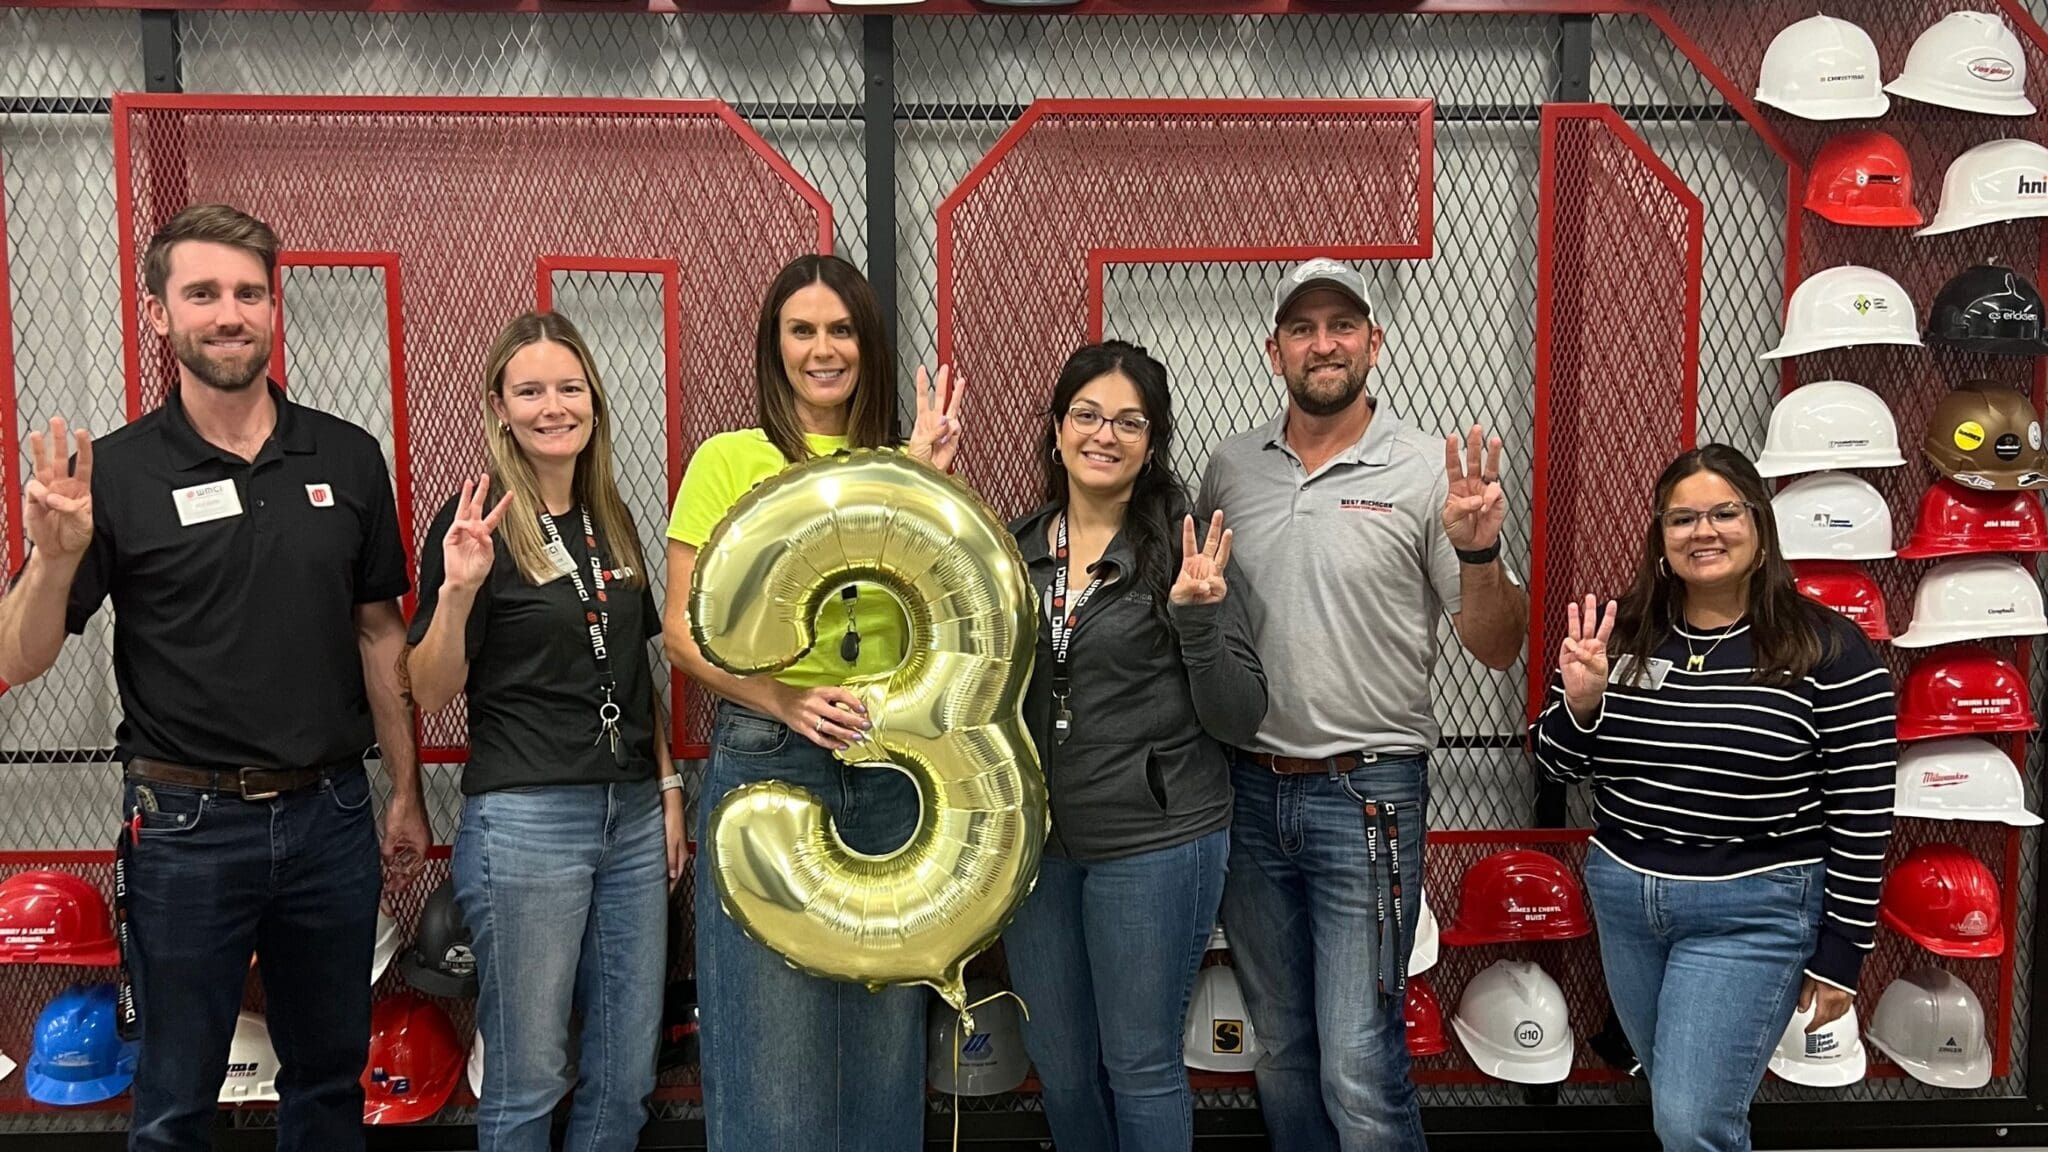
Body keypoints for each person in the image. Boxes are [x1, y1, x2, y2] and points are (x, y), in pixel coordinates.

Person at [0, 204, 429, 1151]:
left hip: (333, 820)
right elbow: (16, 656)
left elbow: (378, 634)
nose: (228, 313)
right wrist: (54, 559)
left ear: (274, 310)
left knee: (327, 1084)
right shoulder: (112, 473)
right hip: (186, 833)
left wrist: (406, 792)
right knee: (175, 1100)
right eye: (202, 294)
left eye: (247, 293)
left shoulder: (348, 457)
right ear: (159, 313)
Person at [1196, 257, 1528, 1151]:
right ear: (1275, 351)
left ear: (1374, 342)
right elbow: (1202, 618)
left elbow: (1496, 646)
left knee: (1357, 1055)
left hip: (1370, 794)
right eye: (1302, 328)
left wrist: (1482, 552)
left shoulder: (1432, 471)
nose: (1323, 343)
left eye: (1342, 324)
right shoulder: (1230, 469)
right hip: (1250, 793)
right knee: (1283, 1051)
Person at [662, 253, 964, 1151]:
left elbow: (938, 614)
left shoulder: (896, 461)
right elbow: (682, 630)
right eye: (803, 330)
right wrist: (783, 699)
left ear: (865, 345)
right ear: (775, 345)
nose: (823, 349)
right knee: (769, 1058)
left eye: (841, 330)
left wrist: (926, 477)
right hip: (766, 758)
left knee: (878, 1050)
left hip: (886, 769)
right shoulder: (729, 460)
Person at [1531, 444, 1895, 1152]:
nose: (1705, 532)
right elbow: (1556, 764)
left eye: (1726, 512)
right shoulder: (1619, 631)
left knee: (1694, 1121)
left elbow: (1863, 809)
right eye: (1683, 519)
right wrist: (1581, 704)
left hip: (1753, 910)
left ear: (1760, 530)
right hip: (1627, 900)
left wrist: (1843, 951)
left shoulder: (1827, 649)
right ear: (1660, 541)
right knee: (1677, 1102)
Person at [403, 311, 684, 1150]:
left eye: (569, 387)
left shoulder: (615, 520)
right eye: (530, 390)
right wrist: (456, 592)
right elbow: (428, 686)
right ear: (500, 406)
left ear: (594, 401)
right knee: (527, 1080)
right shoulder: (477, 526)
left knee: (626, 1077)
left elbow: (637, 676)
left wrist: (668, 788)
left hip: (632, 818)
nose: (552, 405)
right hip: (527, 824)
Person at [1001, 340, 1265, 1152]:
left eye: (1128, 422)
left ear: (1152, 444)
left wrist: (1195, 621)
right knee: (1062, 1065)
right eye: (1086, 415)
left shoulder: (1187, 554)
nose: (1103, 435)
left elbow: (1241, 716)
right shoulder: (1013, 550)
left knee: (1140, 1065)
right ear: (1056, 429)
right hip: (1036, 849)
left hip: (1156, 842)